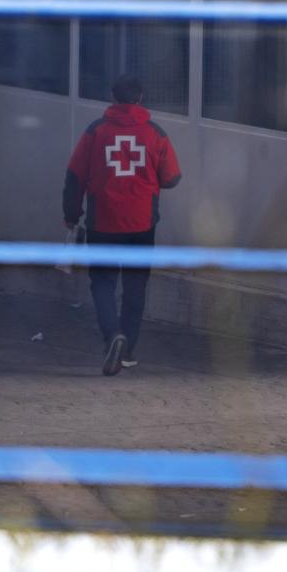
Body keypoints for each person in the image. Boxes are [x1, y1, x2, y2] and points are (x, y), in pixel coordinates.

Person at [62, 74, 182, 376]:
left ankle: (112, 334)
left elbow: (75, 176)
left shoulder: (95, 131)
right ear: (140, 98)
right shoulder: (156, 133)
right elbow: (171, 178)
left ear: (113, 99)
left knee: (102, 282)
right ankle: (127, 349)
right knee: (136, 285)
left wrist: (71, 213)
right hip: (142, 223)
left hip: (103, 220)